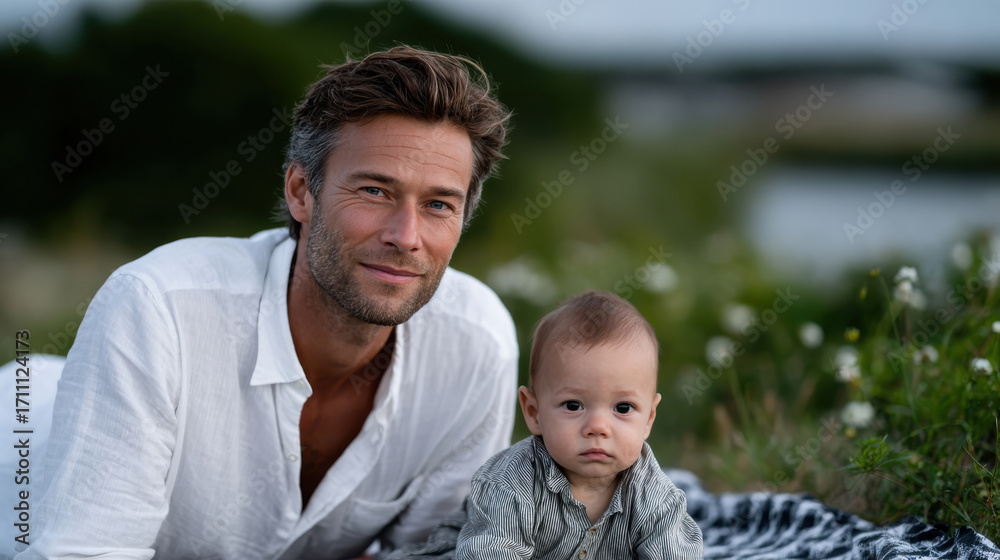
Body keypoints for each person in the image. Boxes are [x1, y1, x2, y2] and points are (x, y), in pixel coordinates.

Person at [16, 46, 517, 559]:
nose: (406, 237)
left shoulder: (478, 345)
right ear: (301, 192)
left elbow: (440, 551)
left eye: (438, 205)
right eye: (374, 191)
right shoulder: (157, 307)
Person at [390, 291, 703, 559]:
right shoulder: (510, 483)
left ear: (648, 419)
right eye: (573, 405)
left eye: (623, 408)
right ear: (533, 412)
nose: (597, 427)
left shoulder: (655, 496)